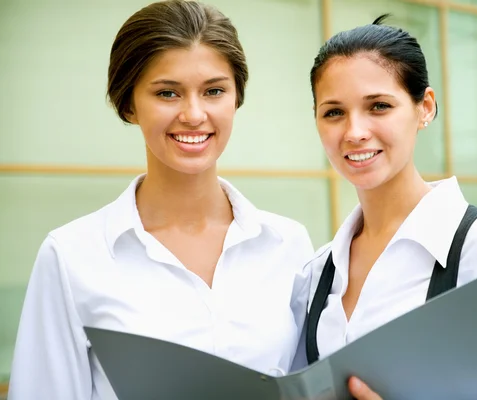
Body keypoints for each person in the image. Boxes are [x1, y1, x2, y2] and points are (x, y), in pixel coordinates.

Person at [8, 1, 314, 399]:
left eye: (214, 91)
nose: (193, 114)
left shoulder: (289, 245)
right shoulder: (71, 256)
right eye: (167, 93)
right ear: (129, 104)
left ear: (236, 98)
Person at [303, 15, 477, 400]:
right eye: (334, 112)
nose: (354, 131)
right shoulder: (318, 273)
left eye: (378, 106)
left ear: (425, 107)